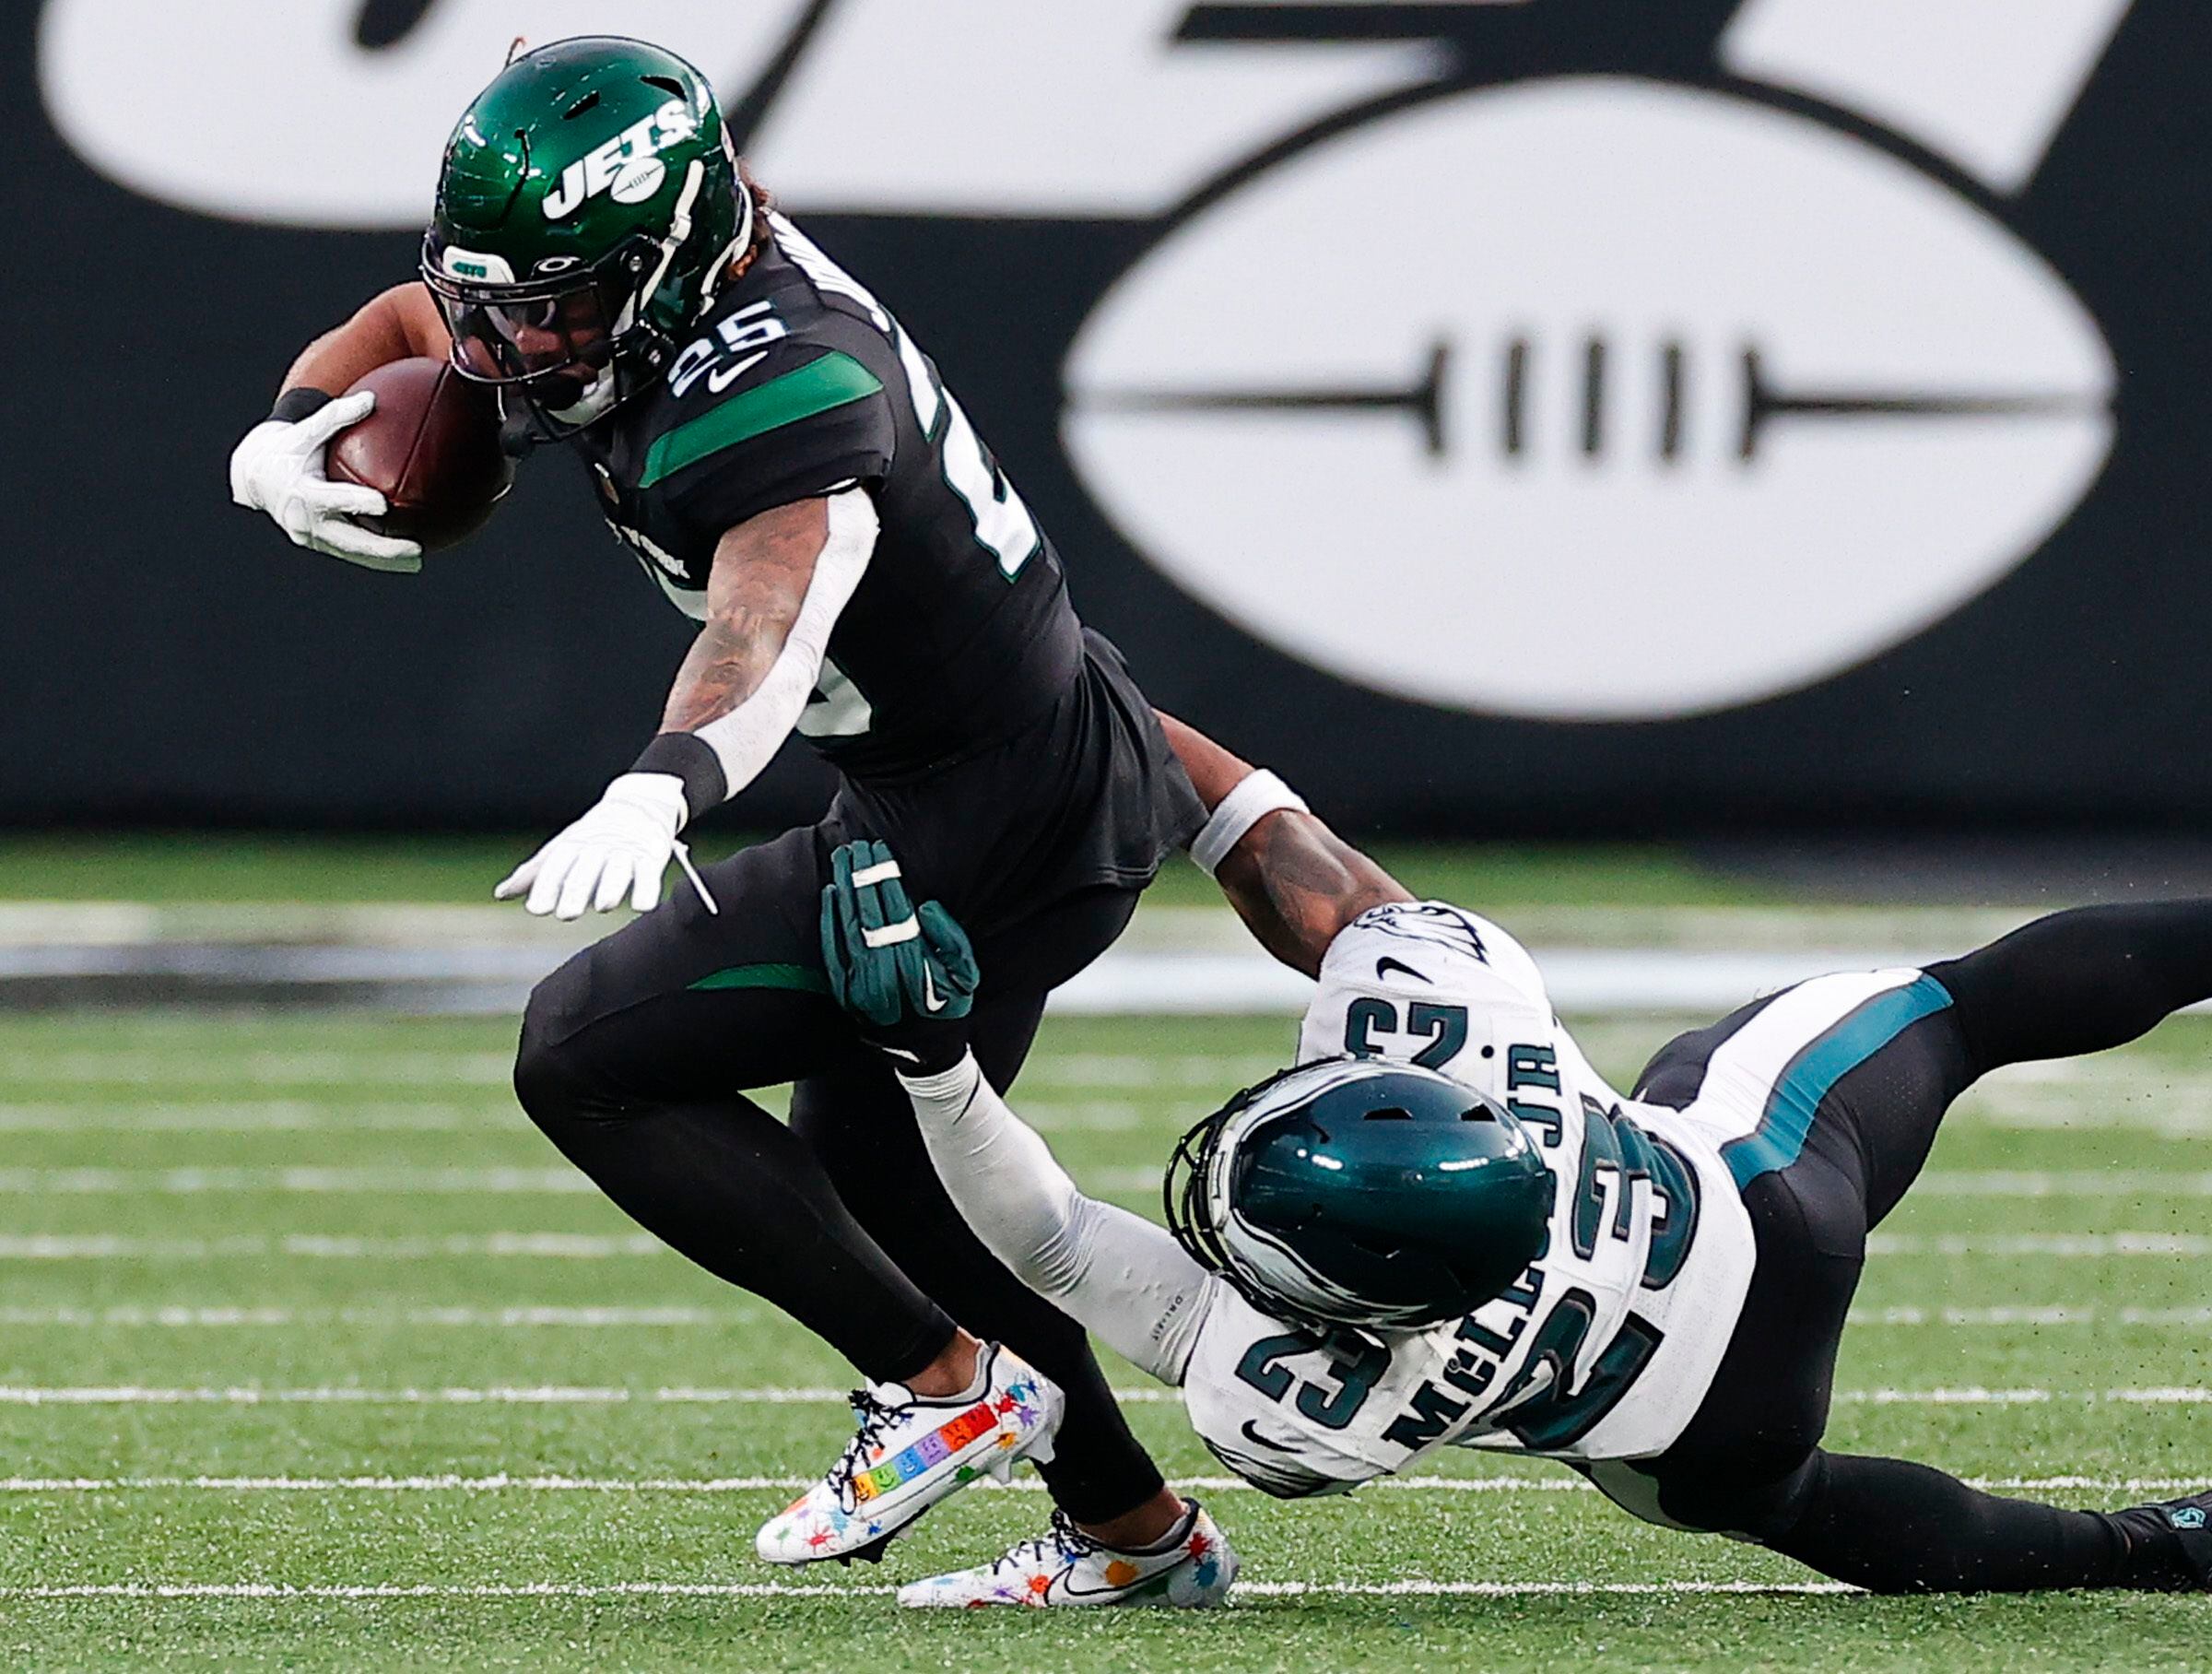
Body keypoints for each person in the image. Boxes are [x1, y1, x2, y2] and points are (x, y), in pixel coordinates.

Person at [226, 35, 1235, 1603]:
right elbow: (419, 317)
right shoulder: (615, 284)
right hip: (993, 770)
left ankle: (948, 1385)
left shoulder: (781, 377)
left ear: (675, 257)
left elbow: (766, 628)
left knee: (585, 1057)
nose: (507, 345)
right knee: (892, 1172)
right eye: (501, 296)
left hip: (992, 819)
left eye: (550, 307)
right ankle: (1135, 1534)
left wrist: (664, 780)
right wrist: (289, 426)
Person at [810, 723, 2212, 1602]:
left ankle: (2154, 1548)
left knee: (1799, 1510)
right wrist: (1101, 723)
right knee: (1957, 1009)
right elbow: (1279, 840)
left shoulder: (1309, 1410)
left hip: (1695, 1427)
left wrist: (936, 1061)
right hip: (1767, 1198)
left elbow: (1050, 1240)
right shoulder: (1449, 1009)